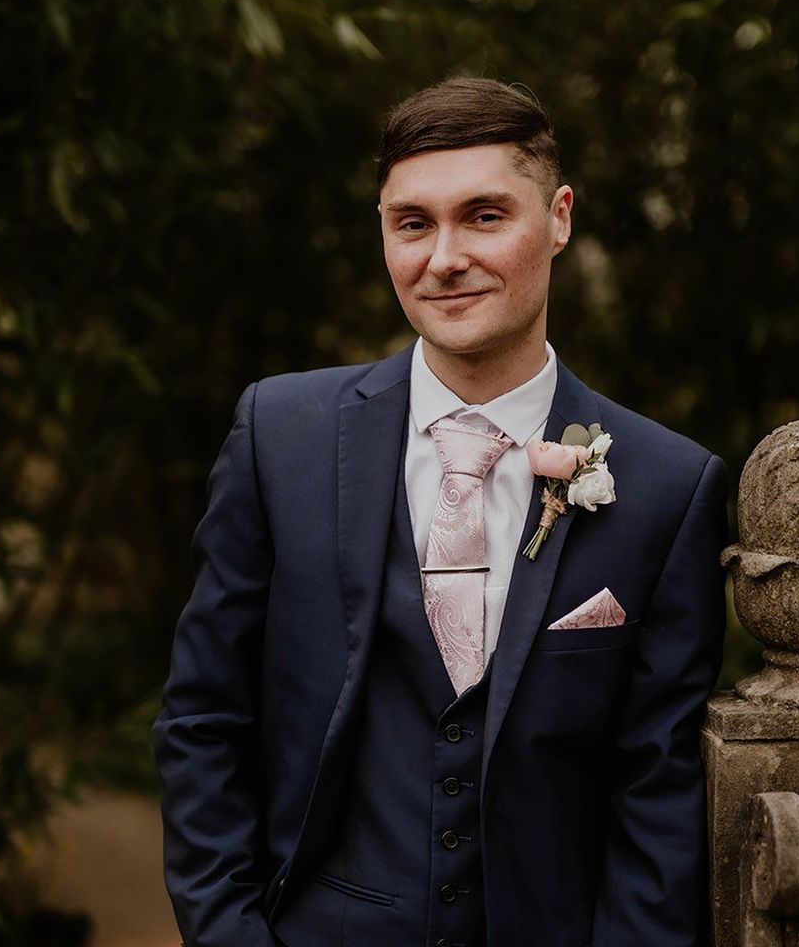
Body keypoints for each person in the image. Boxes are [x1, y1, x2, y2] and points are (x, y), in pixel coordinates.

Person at [154, 76, 727, 947]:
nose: (443, 257)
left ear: (560, 216)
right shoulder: (282, 436)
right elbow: (203, 719)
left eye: (486, 216)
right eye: (413, 223)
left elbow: (655, 788)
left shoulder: (667, 485)